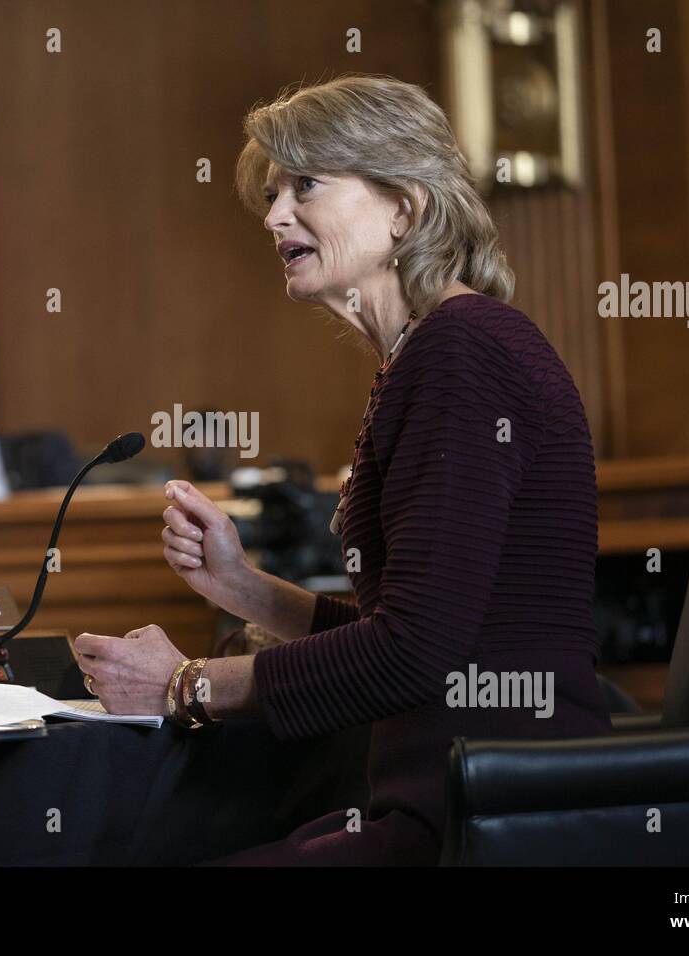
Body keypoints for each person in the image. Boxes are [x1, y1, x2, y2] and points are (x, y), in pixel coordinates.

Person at [72, 74, 612, 865]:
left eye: (306, 186)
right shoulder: (434, 354)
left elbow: (414, 655)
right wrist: (245, 588)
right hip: (457, 803)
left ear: (405, 206)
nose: (275, 214)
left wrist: (186, 684)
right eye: (273, 192)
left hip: (491, 823)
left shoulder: (462, 354)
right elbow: (416, 631)